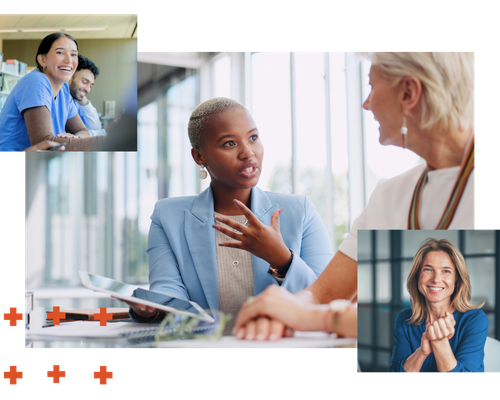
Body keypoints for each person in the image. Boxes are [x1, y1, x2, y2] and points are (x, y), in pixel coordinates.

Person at [234, 51, 475, 341]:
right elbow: (321, 294)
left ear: (409, 92)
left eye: (372, 87)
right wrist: (277, 312)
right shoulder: (391, 194)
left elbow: (465, 318)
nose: (366, 103)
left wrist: (318, 317)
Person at [125, 97, 334, 335]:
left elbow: (328, 298)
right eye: (229, 144)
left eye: (253, 138)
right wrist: (151, 309)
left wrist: (282, 260)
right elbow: (168, 292)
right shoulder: (168, 217)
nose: (247, 153)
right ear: (199, 157)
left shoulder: (300, 211)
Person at [389, 238, 488, 374]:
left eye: (446, 271)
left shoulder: (474, 319)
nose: (436, 279)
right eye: (428, 269)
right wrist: (421, 353)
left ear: (457, 279)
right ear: (417, 276)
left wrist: (440, 343)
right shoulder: (405, 319)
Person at [0, 32, 105, 152]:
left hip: (36, 164)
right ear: (42, 60)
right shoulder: (36, 81)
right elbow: (44, 144)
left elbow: (82, 131)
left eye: (73, 54)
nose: (68, 60)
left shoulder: (64, 90)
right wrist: (109, 142)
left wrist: (75, 139)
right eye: (60, 52)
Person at [66, 54, 107, 137]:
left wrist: (84, 101)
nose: (88, 90)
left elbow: (95, 129)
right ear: (69, 77)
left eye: (90, 86)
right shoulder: (58, 98)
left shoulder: (76, 102)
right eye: (84, 82)